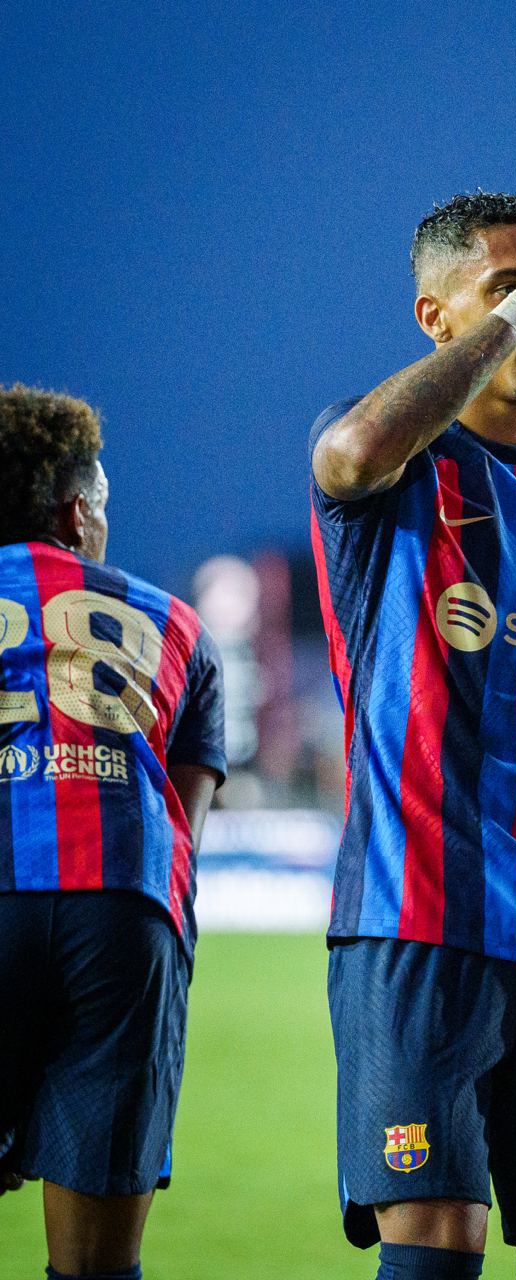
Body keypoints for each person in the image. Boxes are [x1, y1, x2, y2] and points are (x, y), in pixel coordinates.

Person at [308, 174, 516, 1280]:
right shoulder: (391, 459)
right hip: (418, 918)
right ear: (437, 315)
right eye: (513, 285)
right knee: (436, 1244)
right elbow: (352, 453)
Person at [0, 386, 226, 1280]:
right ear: (75, 511)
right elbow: (185, 827)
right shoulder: (176, 622)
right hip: (123, 910)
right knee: (95, 1265)